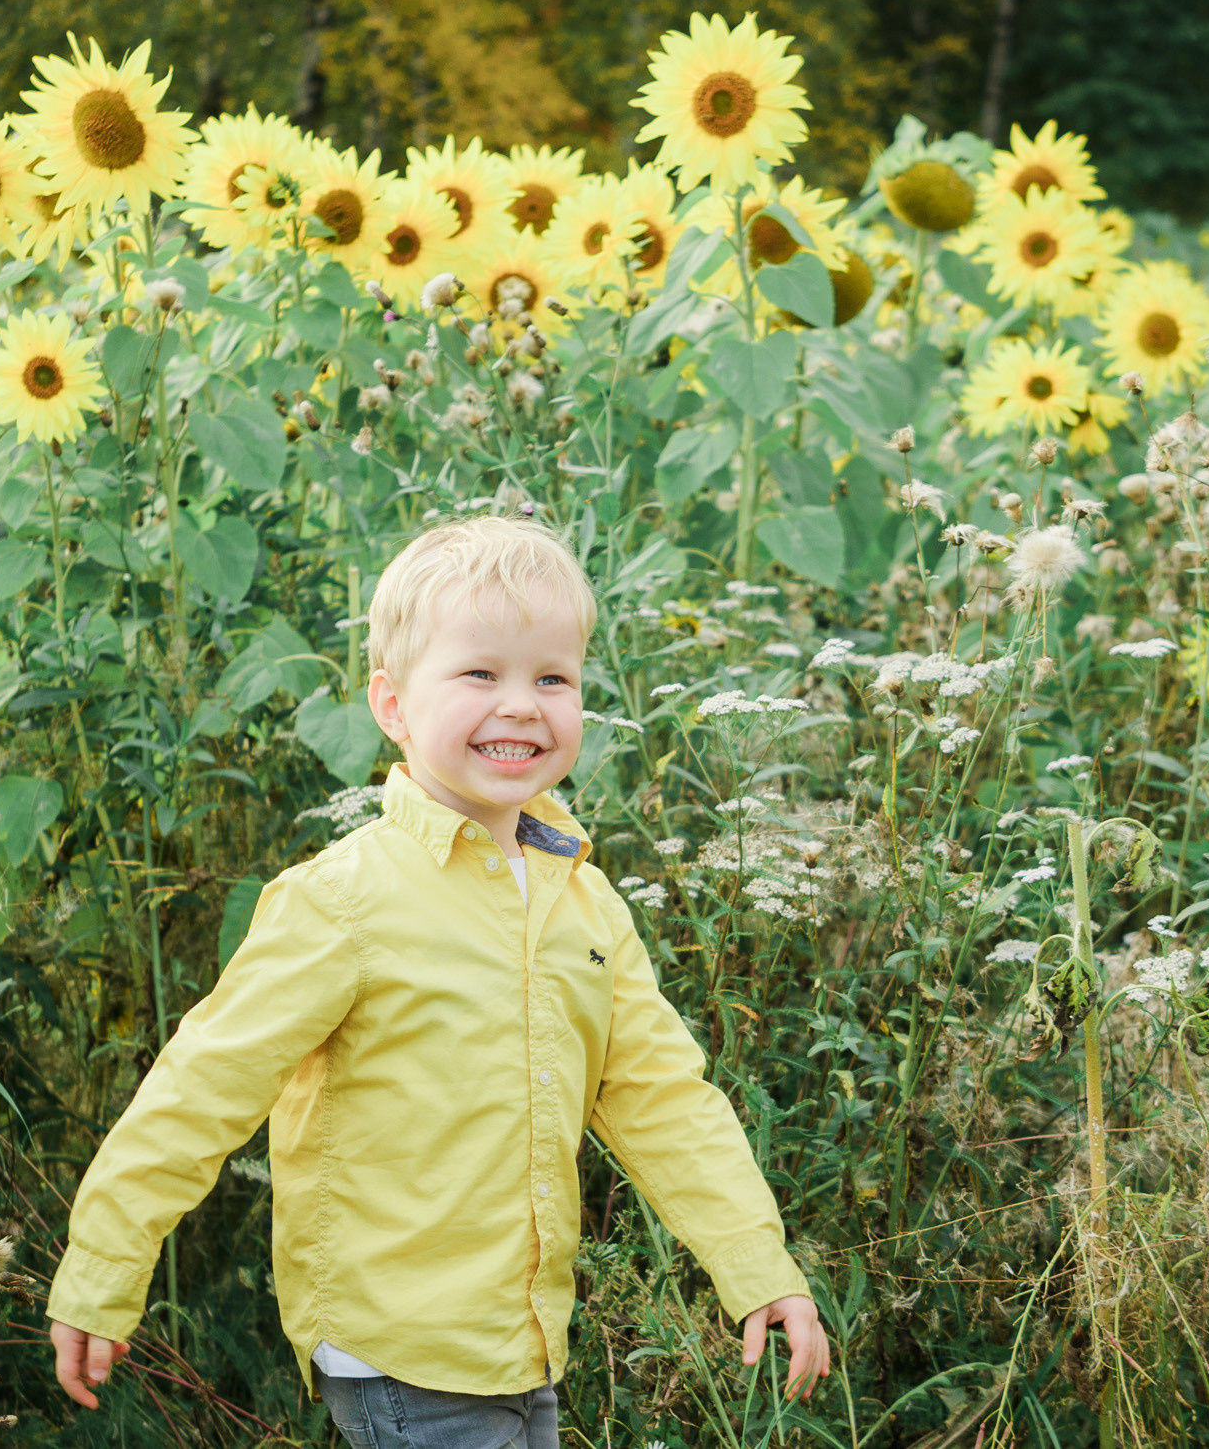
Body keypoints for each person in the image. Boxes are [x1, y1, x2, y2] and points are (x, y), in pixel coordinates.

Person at [46, 513, 830, 1446]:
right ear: (392, 705)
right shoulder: (344, 898)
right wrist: (104, 1266)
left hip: (523, 1339)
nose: (522, 705)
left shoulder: (583, 900)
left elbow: (664, 1097)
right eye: (480, 674)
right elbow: (203, 1084)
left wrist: (757, 1266)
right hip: (400, 1343)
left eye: (553, 678)